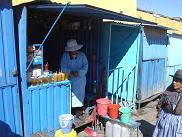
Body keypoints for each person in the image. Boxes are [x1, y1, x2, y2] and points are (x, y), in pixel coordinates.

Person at [153, 69, 182, 137]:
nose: (174, 82)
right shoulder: (169, 89)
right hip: (166, 118)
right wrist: (159, 112)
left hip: (178, 122)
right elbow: (161, 102)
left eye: (177, 81)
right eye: (173, 80)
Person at [61, 39, 88, 109]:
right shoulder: (65, 56)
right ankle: (70, 110)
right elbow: (63, 67)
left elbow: (85, 66)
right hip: (70, 80)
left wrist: (79, 72)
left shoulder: (82, 55)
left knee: (79, 98)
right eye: (72, 50)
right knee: (70, 97)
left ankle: (78, 110)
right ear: (69, 50)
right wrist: (70, 72)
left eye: (75, 49)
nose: (74, 51)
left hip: (80, 81)